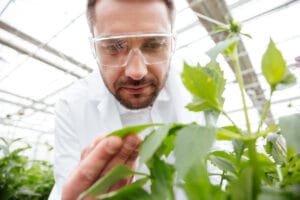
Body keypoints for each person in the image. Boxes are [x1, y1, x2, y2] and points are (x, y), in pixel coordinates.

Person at [48, 0, 200, 199]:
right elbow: (65, 185)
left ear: (172, 43)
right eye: (114, 46)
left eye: (154, 44)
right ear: (95, 48)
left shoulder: (196, 92)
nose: (136, 72)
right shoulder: (72, 105)